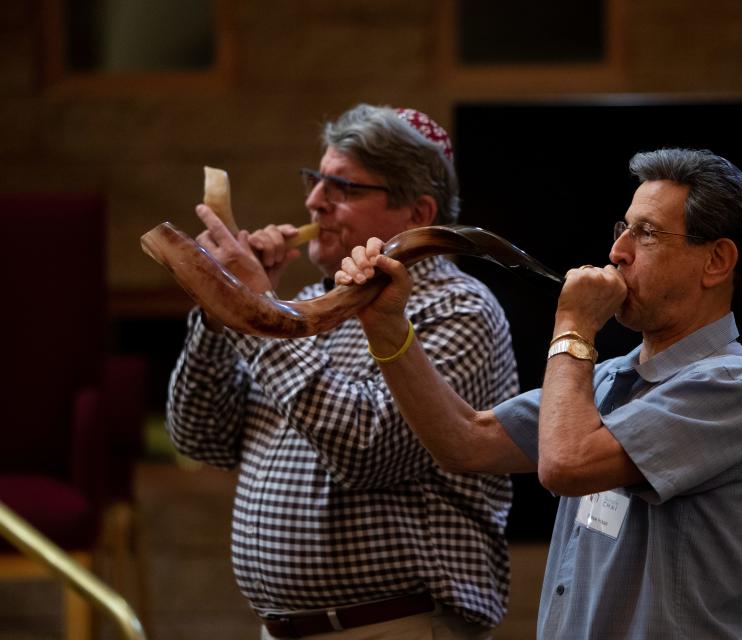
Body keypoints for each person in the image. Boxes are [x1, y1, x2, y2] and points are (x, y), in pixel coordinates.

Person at [337, 148, 742, 638]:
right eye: (623, 229)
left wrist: (573, 323)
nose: (618, 252)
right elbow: (465, 440)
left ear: (716, 261)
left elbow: (565, 465)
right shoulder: (609, 377)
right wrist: (386, 326)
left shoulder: (731, 384)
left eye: (647, 233)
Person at [165, 104, 519, 639]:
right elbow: (201, 438)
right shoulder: (307, 304)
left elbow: (368, 451)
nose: (313, 201)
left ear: (418, 214)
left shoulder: (460, 309)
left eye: (344, 189)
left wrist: (258, 306)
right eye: (316, 181)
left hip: (395, 625)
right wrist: (225, 313)